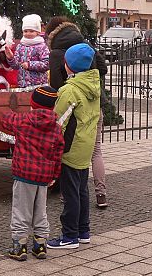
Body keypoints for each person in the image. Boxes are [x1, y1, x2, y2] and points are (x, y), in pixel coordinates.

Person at [46, 16, 110, 208]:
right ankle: (101, 193)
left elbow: (55, 84)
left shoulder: (56, 52)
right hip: (93, 103)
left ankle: (66, 192)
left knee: (67, 151)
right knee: (95, 150)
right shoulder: (85, 44)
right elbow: (103, 68)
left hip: (71, 106)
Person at [0, 86, 65, 260]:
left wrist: (10, 108)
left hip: (24, 174)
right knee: (40, 210)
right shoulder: (56, 128)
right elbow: (58, 154)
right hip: (44, 177)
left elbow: (5, 119)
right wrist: (54, 175)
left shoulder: (23, 121)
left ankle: (20, 246)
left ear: (32, 104)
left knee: (21, 210)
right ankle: (40, 244)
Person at [47, 43, 101, 249]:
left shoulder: (69, 90)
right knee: (81, 191)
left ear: (69, 65)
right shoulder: (93, 85)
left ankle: (69, 235)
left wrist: (52, 147)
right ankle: (83, 230)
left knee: (70, 194)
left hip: (70, 148)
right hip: (85, 145)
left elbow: (58, 121)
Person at [5, 14, 49, 87]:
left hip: (38, 85)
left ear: (38, 32)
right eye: (25, 31)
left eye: (31, 31)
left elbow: (47, 64)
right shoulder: (20, 46)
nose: (28, 33)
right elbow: (16, 66)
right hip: (22, 85)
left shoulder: (42, 46)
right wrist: (11, 58)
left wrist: (30, 65)